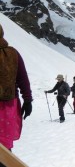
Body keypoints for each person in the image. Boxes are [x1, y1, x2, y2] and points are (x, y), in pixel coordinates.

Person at [0, 24, 32, 154]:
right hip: (8, 106)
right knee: (5, 146)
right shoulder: (13, 53)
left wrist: (28, 99)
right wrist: (28, 99)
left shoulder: (12, 53)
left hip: (7, 105)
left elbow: (22, 78)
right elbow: (22, 79)